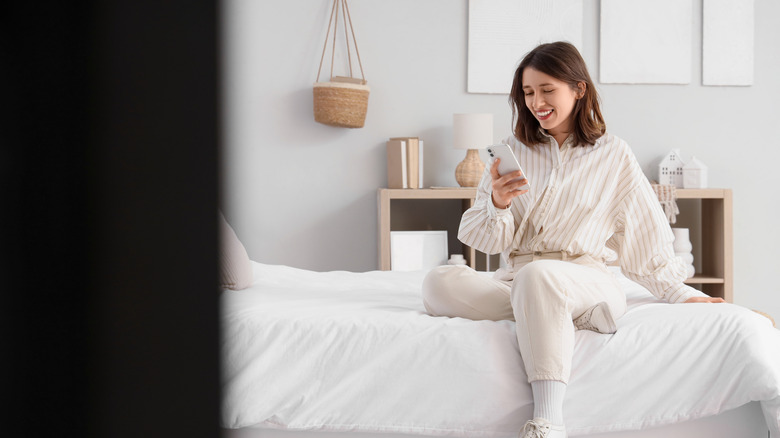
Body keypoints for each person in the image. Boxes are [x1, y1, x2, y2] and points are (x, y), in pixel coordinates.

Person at [421, 41, 725, 438]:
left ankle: (549, 422)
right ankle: (563, 314)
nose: (536, 102)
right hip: (518, 279)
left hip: (587, 279)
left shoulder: (613, 154)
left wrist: (680, 292)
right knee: (439, 282)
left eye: (547, 90)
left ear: (578, 89)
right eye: (528, 92)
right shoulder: (510, 151)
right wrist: (497, 202)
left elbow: (644, 235)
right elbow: (485, 241)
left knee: (540, 278)